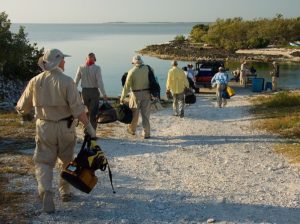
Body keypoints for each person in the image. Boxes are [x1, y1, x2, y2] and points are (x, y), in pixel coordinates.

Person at [16, 49, 96, 213]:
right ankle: (65, 191)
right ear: (58, 61)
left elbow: (21, 106)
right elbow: (78, 110)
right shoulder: (67, 82)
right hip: (66, 127)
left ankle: (46, 191)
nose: (65, 62)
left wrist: (26, 115)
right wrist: (89, 127)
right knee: (67, 161)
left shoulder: (35, 81)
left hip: (44, 126)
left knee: (43, 162)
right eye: (63, 60)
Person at [120, 55, 152, 139]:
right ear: (141, 61)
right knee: (145, 115)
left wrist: (122, 97)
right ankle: (146, 133)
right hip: (147, 93)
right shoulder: (148, 69)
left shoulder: (132, 71)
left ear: (134, 62)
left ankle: (132, 130)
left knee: (134, 114)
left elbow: (126, 86)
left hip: (135, 95)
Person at [74, 53, 108, 130]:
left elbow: (75, 81)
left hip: (84, 92)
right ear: (94, 59)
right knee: (93, 113)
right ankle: (92, 132)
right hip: (94, 92)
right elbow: (100, 82)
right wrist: (104, 94)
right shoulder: (97, 68)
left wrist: (72, 92)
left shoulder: (81, 67)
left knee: (86, 112)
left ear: (86, 59)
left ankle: (86, 130)